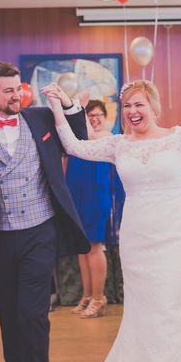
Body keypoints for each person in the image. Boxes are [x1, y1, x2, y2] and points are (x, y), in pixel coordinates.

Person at [42, 69, 181, 362]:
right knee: (143, 305)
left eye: (138, 104)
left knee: (173, 301)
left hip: (175, 235)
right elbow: (74, 147)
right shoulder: (117, 145)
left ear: (153, 107)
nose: (132, 111)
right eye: (127, 106)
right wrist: (58, 107)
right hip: (136, 236)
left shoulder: (179, 137)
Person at [0, 62, 90, 362]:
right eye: (8, 90)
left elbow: (79, 139)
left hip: (40, 234)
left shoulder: (41, 117)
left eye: (19, 88)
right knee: (10, 320)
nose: (17, 96)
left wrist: (67, 103)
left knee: (33, 316)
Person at [66, 99, 116, 318]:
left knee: (95, 246)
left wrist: (80, 111)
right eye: (91, 115)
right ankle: (87, 296)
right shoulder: (77, 137)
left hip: (96, 195)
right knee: (82, 248)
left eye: (98, 115)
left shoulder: (107, 137)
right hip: (77, 195)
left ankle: (99, 298)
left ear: (105, 118)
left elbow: (90, 135)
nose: (95, 119)